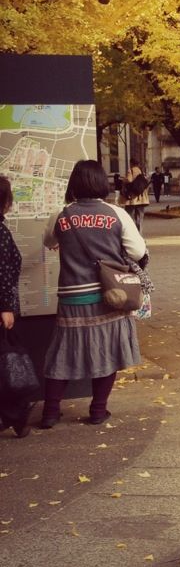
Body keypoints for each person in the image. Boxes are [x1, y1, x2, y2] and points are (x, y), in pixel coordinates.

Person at [40, 159, 147, 429]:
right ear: (102, 182)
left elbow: (48, 241)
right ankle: (98, 410)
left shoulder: (62, 214)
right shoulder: (117, 214)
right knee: (107, 351)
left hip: (71, 298)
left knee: (62, 353)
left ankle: (50, 412)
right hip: (109, 295)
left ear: (74, 184)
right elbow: (137, 252)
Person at [0, 174, 32, 437]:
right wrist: (6, 307)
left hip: (4, 307)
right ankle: (16, 412)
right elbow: (3, 272)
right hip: (3, 308)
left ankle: (15, 412)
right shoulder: (0, 231)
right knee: (7, 362)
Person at [119, 164, 150, 230]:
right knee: (140, 218)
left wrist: (123, 179)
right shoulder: (141, 171)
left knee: (129, 217)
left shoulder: (131, 170)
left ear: (131, 163)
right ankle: (139, 235)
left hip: (132, 199)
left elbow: (129, 180)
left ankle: (132, 233)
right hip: (142, 198)